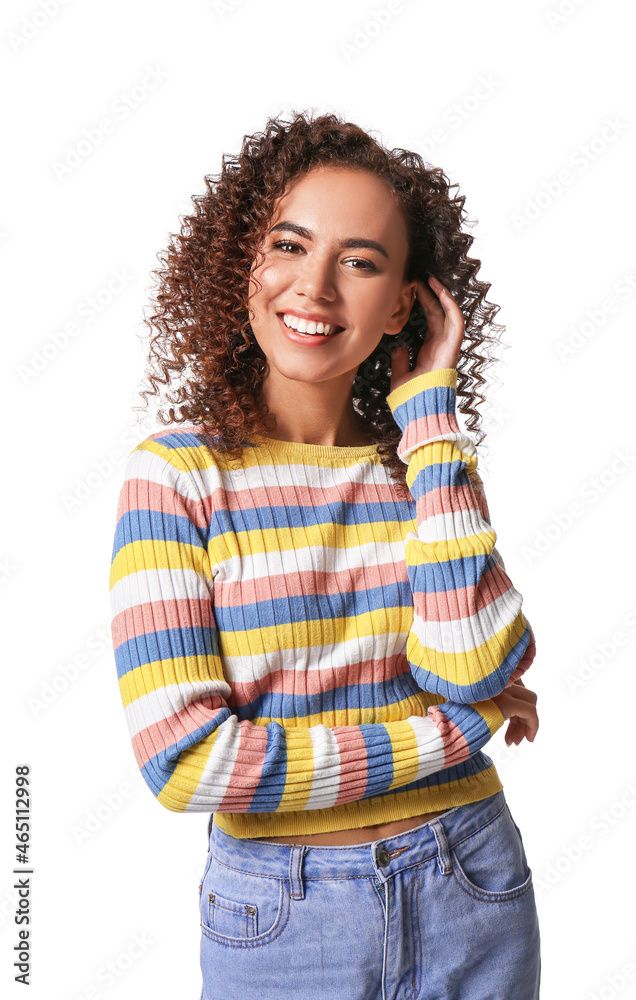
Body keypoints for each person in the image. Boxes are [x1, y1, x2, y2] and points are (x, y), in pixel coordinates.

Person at [109, 110, 541, 999]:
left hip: (471, 880)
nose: (315, 288)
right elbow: (188, 762)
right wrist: (451, 733)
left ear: (402, 306)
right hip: (281, 916)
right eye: (290, 246)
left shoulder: (427, 464)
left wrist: (430, 413)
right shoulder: (177, 477)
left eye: (360, 262)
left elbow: (472, 660)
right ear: (243, 266)